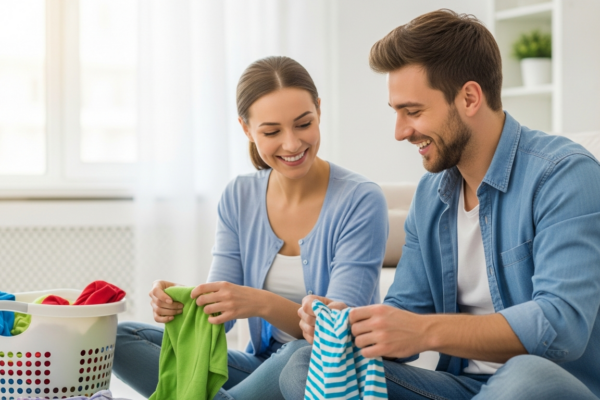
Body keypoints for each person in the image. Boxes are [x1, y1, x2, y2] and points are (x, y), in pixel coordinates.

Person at [280, 9, 600, 400]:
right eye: (397, 113)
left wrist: (425, 331)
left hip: (553, 385)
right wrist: (354, 325)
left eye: (413, 112)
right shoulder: (431, 195)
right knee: (303, 362)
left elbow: (561, 325)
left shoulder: (564, 176)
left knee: (526, 376)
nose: (400, 132)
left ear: (469, 97)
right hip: (462, 388)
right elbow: (406, 314)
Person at [113, 56, 389, 399]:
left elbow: (337, 331)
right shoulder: (239, 196)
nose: (291, 144)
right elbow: (223, 317)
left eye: (303, 124)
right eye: (272, 131)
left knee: (298, 356)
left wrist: (260, 303)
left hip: (320, 368)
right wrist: (183, 301)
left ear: (319, 110)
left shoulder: (361, 199)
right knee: (121, 338)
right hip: (259, 365)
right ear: (246, 129)